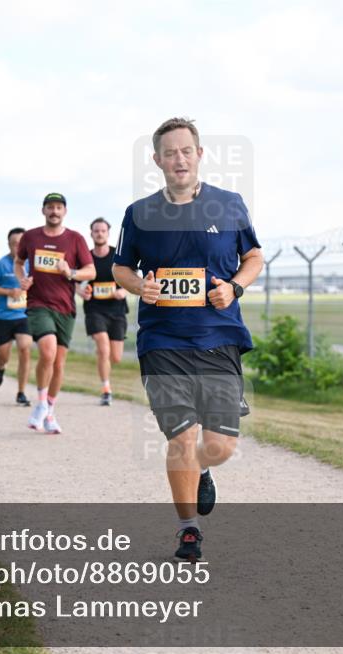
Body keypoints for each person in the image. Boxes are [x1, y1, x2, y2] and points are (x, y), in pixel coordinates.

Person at [113, 117, 263, 561]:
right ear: (156, 160)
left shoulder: (230, 205)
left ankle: (200, 472)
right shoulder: (139, 213)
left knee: (217, 446)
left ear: (199, 155)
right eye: (169, 152)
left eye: (186, 151)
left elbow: (253, 256)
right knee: (181, 438)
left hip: (219, 336)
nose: (178, 159)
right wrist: (141, 287)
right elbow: (122, 268)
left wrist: (233, 287)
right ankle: (188, 529)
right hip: (162, 341)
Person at [15, 193, 95, 434]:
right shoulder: (30, 237)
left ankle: (49, 410)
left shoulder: (75, 239)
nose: (54, 211)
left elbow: (89, 271)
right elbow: (18, 263)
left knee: (59, 363)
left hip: (65, 307)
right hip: (38, 303)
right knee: (47, 352)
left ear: (65, 212)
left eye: (59, 207)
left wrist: (69, 271)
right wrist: (22, 280)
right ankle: (40, 404)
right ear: (43, 211)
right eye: (50, 207)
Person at [78, 217, 129, 406]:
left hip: (117, 311)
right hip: (94, 309)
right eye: (96, 231)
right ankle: (106, 389)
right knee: (103, 347)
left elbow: (132, 278)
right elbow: (77, 283)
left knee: (115, 357)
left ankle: (105, 366)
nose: (99, 233)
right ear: (91, 234)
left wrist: (123, 291)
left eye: (103, 231)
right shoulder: (86, 258)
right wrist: (82, 291)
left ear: (108, 233)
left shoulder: (118, 256)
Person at [0, 227, 32, 406]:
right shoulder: (1, 265)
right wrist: (8, 292)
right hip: (3, 317)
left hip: (24, 315)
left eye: (21, 243)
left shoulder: (31, 264)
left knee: (25, 348)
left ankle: (21, 392)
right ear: (9, 244)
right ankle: (0, 366)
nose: (17, 247)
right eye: (14, 244)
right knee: (3, 355)